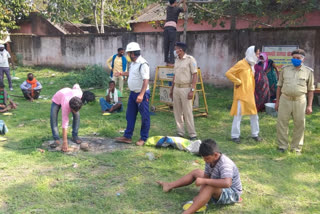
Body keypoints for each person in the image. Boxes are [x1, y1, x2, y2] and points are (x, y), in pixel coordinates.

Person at [157, 139, 242, 214]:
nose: (205, 161)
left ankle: (187, 212)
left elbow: (227, 183)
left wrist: (204, 182)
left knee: (210, 187)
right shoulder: (209, 160)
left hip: (232, 193)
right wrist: (200, 195)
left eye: (207, 158)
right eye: (203, 158)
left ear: (215, 155)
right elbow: (205, 177)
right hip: (218, 185)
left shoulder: (225, 164)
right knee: (197, 172)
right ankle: (169, 185)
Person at [275, 49, 314, 154]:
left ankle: (296, 148)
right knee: (282, 123)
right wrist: (277, 101)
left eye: (298, 58)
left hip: (300, 101)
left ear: (303, 59)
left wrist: (309, 105)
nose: (295, 60)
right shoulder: (285, 70)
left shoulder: (308, 72)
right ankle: (282, 146)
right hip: (285, 99)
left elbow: (311, 89)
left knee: (300, 124)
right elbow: (279, 86)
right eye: (294, 58)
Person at [115, 42, 150, 146]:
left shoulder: (143, 64)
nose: (127, 55)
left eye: (128, 53)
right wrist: (121, 73)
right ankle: (127, 136)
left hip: (141, 94)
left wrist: (141, 95)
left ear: (133, 53)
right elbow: (132, 73)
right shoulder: (134, 63)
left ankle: (143, 138)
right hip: (132, 93)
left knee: (144, 117)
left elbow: (146, 80)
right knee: (130, 115)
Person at [225, 46, 262, 143]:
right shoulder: (241, 63)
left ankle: (255, 134)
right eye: (257, 53)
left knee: (254, 115)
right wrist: (238, 81)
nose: (258, 55)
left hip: (250, 95)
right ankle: (235, 136)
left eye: (258, 53)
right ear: (251, 53)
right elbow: (228, 73)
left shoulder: (251, 65)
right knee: (238, 116)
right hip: (241, 95)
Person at [50, 84, 95, 152]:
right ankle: (57, 139)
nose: (75, 111)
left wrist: (72, 90)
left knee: (77, 115)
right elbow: (64, 124)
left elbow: (76, 85)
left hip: (69, 94)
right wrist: (65, 142)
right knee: (53, 118)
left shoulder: (79, 94)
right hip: (58, 98)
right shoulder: (65, 106)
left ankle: (75, 136)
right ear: (70, 108)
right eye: (73, 110)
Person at [170, 42, 197, 140]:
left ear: (180, 50)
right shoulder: (177, 60)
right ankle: (180, 132)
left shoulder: (190, 59)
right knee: (177, 111)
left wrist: (192, 90)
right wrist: (172, 89)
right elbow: (174, 75)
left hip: (186, 88)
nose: (175, 51)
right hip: (177, 88)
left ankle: (192, 134)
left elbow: (195, 75)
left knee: (187, 111)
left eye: (176, 49)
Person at [163, 0, 186, 66]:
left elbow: (174, 6)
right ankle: (172, 62)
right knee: (172, 45)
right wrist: (183, 2)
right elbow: (184, 9)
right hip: (172, 28)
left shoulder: (168, 8)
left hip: (166, 28)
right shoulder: (177, 9)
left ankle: (167, 62)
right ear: (175, 2)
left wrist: (179, 2)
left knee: (166, 45)